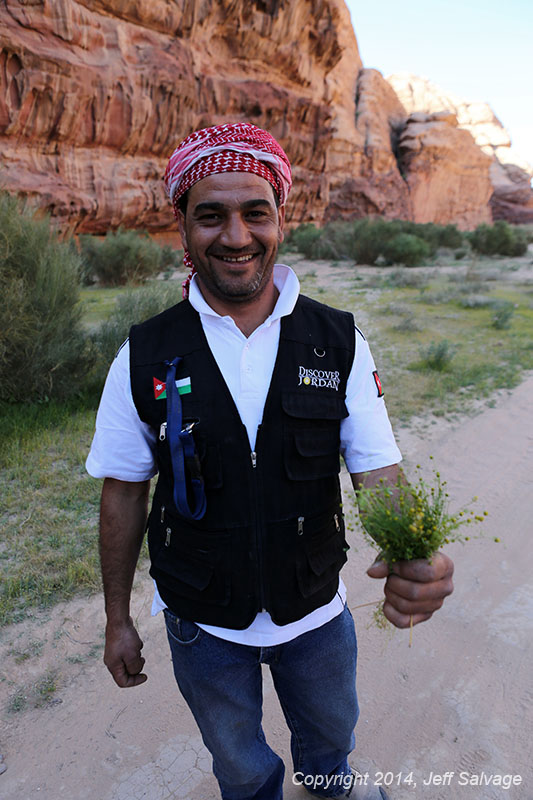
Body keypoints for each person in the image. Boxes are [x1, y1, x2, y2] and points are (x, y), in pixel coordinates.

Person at [86, 122, 454, 800]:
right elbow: (124, 491)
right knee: (238, 760)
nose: (235, 236)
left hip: (315, 613)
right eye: (211, 216)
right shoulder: (142, 354)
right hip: (200, 621)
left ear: (280, 218)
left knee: (328, 736)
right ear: (183, 228)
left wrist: (418, 550)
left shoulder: (336, 340)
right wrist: (116, 619)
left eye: (255, 212)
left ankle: (328, 786)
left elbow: (377, 471)